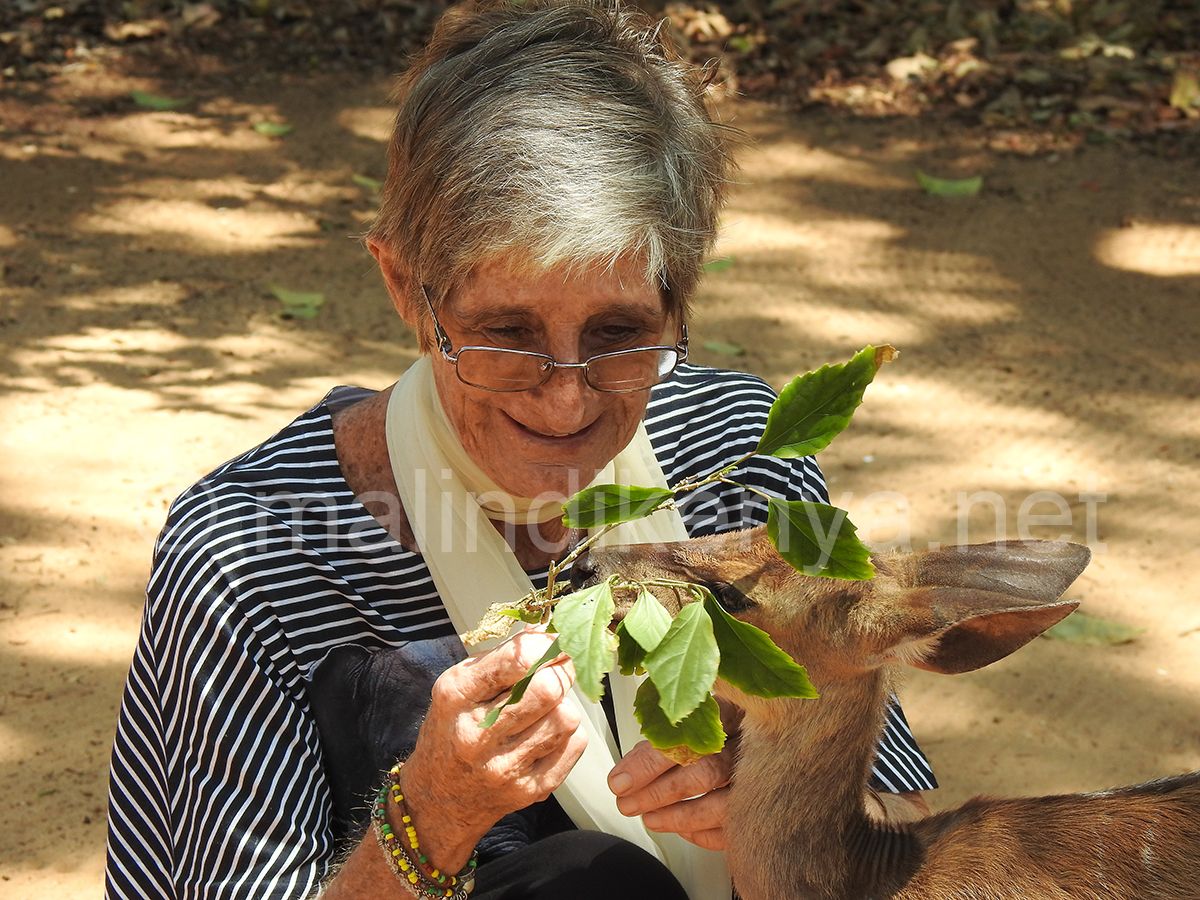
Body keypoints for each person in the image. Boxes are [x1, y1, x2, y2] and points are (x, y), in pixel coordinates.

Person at [104, 2, 936, 898]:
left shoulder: (739, 454)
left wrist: (781, 804)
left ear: (682, 299)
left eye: (621, 332)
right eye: (506, 332)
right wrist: (428, 819)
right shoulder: (254, 553)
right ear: (405, 288)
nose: (568, 397)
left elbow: (897, 843)